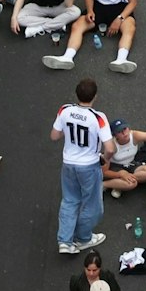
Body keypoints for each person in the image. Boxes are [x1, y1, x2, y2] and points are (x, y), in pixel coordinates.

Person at [51, 78, 111, 256]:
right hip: (89, 165)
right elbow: (110, 148)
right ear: (95, 96)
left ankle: (64, 240)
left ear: (76, 94)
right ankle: (83, 238)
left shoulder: (65, 110)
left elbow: (55, 135)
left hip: (68, 163)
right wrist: (104, 159)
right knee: (92, 204)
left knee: (69, 201)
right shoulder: (98, 118)